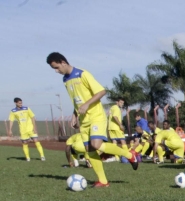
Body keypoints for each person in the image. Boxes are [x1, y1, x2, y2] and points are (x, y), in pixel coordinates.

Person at [47, 52, 140, 187]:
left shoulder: (82, 74)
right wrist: (75, 114)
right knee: (89, 150)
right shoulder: (65, 80)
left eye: (56, 67)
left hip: (96, 116)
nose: (56, 71)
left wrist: (86, 105)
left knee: (96, 145)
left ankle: (129, 154)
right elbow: (76, 100)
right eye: (53, 69)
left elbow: (101, 91)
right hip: (84, 120)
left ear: (63, 62)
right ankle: (103, 181)